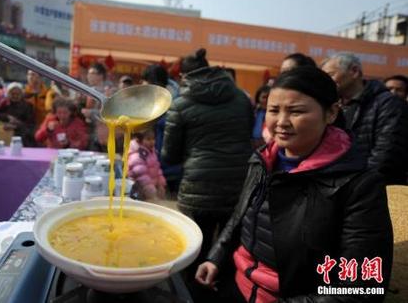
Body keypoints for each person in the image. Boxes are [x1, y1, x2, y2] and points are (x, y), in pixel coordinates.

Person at [196, 66, 393, 303]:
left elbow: (362, 289)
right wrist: (216, 257)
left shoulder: (359, 184)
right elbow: (239, 217)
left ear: (331, 113)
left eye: (296, 111)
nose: (281, 122)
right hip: (235, 285)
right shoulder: (262, 159)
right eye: (273, 110)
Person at [162, 48, 254, 272]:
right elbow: (247, 136)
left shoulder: (180, 104)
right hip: (238, 183)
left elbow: (169, 156)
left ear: (184, 76)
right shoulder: (241, 98)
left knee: (193, 249)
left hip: (198, 186)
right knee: (228, 247)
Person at [322, 52, 408, 185]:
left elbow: (386, 155)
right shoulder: (334, 106)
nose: (328, 81)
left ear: (355, 71)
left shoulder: (389, 104)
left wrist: (356, 185)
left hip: (375, 189)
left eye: (331, 75)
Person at [141, 64, 183, 196]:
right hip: (155, 169)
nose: (142, 84)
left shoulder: (173, 104)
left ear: (154, 83)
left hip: (170, 170)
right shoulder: (153, 101)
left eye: (145, 81)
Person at [128, 128, 166, 201]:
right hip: (140, 190)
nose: (152, 142)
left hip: (152, 186)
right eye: (148, 139)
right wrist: (149, 186)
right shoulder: (138, 154)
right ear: (139, 140)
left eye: (153, 139)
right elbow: (140, 173)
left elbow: (157, 167)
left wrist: (161, 183)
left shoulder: (151, 151)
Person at [0, 82, 35, 146]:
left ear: (21, 94)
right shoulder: (5, 103)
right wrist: (7, 117)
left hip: (23, 138)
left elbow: (30, 125)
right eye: (12, 94)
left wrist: (15, 126)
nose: (15, 96)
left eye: (17, 94)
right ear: (8, 94)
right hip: (5, 137)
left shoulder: (28, 106)